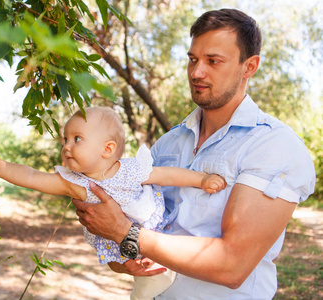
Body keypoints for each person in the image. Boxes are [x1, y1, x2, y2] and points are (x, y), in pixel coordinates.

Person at [72, 8, 316, 299]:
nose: (196, 72)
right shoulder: (167, 144)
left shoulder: (273, 145)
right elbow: (122, 240)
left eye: (213, 61)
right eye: (193, 59)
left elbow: (232, 266)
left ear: (249, 66)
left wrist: (125, 231)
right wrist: (120, 251)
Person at [0, 106, 226, 300]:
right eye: (65, 139)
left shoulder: (131, 169)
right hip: (123, 249)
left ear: (108, 149)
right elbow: (32, 177)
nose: (66, 146)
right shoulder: (74, 182)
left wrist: (201, 180)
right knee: (140, 281)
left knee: (158, 279)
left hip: (155, 234)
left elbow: (168, 175)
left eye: (77, 139)